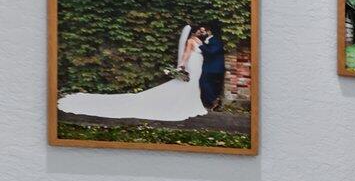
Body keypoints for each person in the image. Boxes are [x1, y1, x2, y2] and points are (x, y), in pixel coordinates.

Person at [57, 23, 208, 122]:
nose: (201, 32)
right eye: (199, 30)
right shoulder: (190, 41)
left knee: (194, 84)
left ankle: (192, 103)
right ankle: (184, 104)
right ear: (194, 32)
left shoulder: (201, 41)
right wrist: (181, 66)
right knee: (188, 83)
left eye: (202, 31)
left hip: (199, 64)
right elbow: (186, 54)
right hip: (192, 63)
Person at [196, 21, 228, 110]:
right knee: (206, 83)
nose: (202, 33)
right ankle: (213, 101)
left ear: (209, 31)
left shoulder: (216, 40)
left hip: (214, 67)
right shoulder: (208, 40)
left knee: (204, 82)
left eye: (203, 31)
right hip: (208, 66)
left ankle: (214, 101)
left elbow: (211, 52)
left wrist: (201, 46)